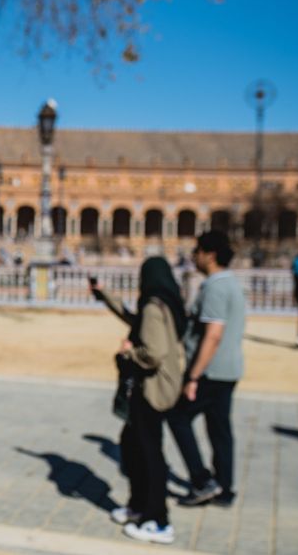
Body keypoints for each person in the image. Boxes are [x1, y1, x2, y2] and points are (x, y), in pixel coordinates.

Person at [92, 258, 187, 545]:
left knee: (149, 453)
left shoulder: (152, 307)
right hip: (156, 389)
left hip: (151, 391)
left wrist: (127, 354)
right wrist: (105, 295)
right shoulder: (165, 303)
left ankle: (157, 520)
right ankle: (138, 505)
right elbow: (136, 321)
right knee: (133, 445)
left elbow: (152, 352)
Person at [167, 231, 245, 508]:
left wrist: (193, 376)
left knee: (177, 417)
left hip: (210, 371)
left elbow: (213, 335)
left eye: (197, 251)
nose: (193, 256)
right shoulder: (230, 283)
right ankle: (225, 488)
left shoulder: (215, 287)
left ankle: (202, 481)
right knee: (219, 429)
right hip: (229, 368)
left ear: (210, 255)